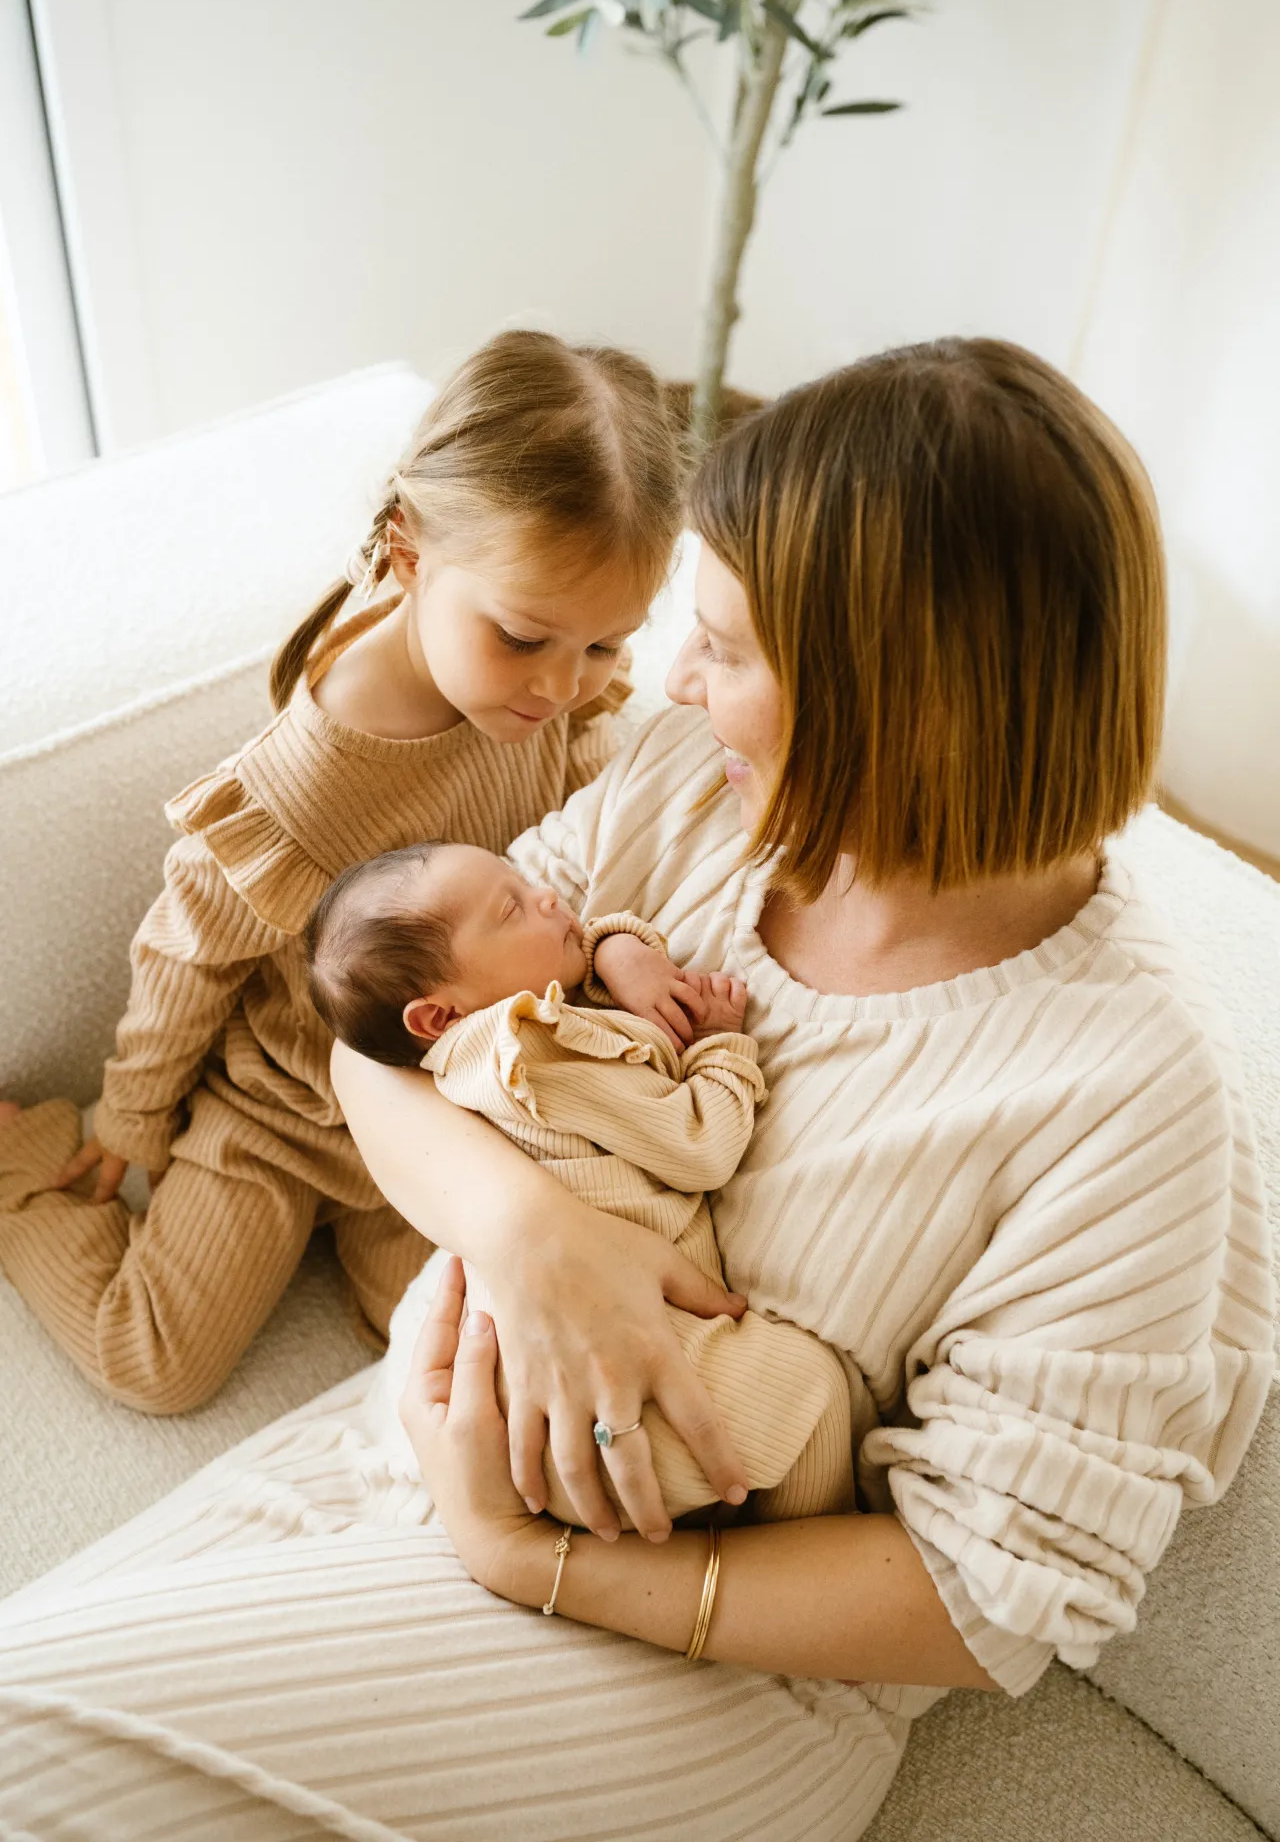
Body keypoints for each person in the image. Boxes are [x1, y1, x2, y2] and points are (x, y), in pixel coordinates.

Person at [0, 339, 1271, 1842]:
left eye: (721, 649)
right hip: (417, 1437)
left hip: (704, 1658)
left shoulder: (1129, 1100)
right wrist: (534, 1239)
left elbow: (986, 1592)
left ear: (899, 700)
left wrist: (532, 1559)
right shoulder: (684, 795)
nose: (668, 682)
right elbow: (384, 1042)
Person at [0, 329, 685, 1415]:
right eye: (523, 639)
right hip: (282, 1113)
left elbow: (592, 845)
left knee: (456, 1350)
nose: (562, 687)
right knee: (155, 1363)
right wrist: (129, 1118)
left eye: (603, 647)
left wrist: (617, 945)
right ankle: (17, 1172)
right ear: (410, 555)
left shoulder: (555, 696)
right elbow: (184, 958)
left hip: (443, 1104)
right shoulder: (309, 775)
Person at [304, 838, 860, 1521]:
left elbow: (573, 975)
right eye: (511, 909)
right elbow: (700, 1147)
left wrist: (614, 950)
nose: (548, 897)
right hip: (604, 1379)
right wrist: (720, 1043)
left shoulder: (466, 1055)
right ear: (439, 1015)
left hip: (518, 1392)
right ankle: (803, 1542)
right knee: (818, 1397)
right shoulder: (534, 1051)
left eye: (523, 882)